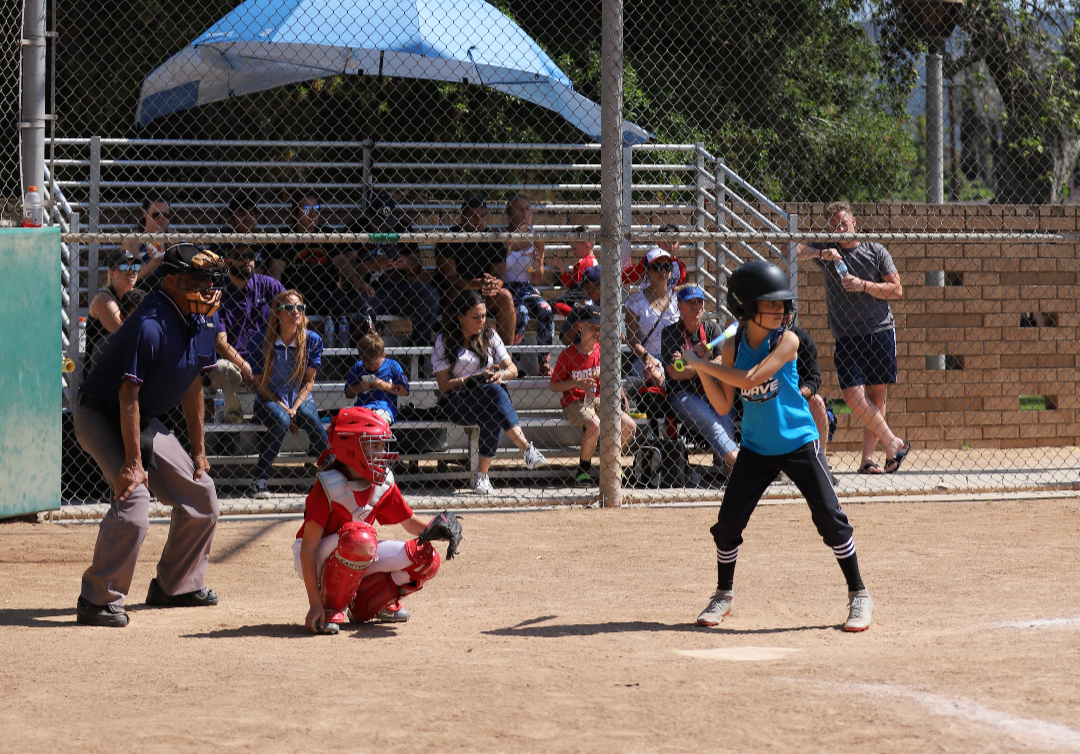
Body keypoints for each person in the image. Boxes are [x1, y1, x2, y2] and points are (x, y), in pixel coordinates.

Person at [683, 260, 872, 632]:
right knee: (728, 523)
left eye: (782, 304)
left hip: (798, 441)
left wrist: (697, 362)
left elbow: (752, 377)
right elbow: (722, 404)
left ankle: (859, 594)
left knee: (831, 520)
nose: (781, 310)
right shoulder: (733, 344)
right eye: (771, 305)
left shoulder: (788, 339)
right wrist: (703, 368)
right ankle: (723, 595)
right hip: (755, 447)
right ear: (746, 307)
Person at [73, 243, 227, 627]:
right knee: (134, 497)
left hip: (140, 417)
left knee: (202, 494)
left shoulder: (203, 320)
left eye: (212, 280)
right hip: (100, 412)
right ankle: (97, 598)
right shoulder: (152, 322)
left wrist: (200, 452)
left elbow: (194, 385)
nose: (208, 287)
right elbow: (127, 393)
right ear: (172, 280)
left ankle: (175, 586)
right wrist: (133, 463)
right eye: (199, 279)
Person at [294, 407, 461, 633]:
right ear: (350, 448)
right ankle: (331, 607)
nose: (382, 453)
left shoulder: (382, 481)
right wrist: (314, 603)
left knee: (426, 557)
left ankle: (370, 604)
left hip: (358, 545)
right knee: (360, 538)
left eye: (382, 445)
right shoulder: (328, 485)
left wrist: (438, 527)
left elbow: (409, 522)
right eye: (374, 446)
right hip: (317, 557)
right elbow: (308, 549)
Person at [797, 202, 910, 474]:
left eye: (843, 223)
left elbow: (896, 290)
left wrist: (863, 285)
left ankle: (869, 459)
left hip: (880, 330)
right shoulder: (828, 250)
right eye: (834, 225)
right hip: (847, 335)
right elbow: (793, 248)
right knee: (852, 394)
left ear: (854, 221)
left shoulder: (875, 250)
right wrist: (824, 253)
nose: (839, 228)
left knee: (877, 396)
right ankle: (893, 441)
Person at [433, 289, 548, 495]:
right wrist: (473, 378)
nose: (481, 321)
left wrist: (502, 374)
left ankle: (482, 479)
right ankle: (526, 449)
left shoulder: (490, 335)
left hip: (487, 397)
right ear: (460, 317)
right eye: (475, 317)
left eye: (484, 316)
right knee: (494, 395)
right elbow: (443, 385)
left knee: (493, 401)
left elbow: (512, 368)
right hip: (457, 401)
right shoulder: (445, 339)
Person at [246, 290, 330, 499]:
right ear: (277, 312)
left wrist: (295, 407)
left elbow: (308, 381)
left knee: (310, 417)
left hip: (299, 397)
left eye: (299, 307)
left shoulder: (312, 340)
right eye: (290, 307)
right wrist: (284, 408)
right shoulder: (260, 340)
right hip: (269, 398)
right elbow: (260, 384)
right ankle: (259, 481)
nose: (296, 312)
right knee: (282, 421)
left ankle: (333, 473)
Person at [549, 304, 637, 486]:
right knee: (595, 425)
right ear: (580, 326)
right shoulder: (568, 354)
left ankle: (613, 463)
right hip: (574, 401)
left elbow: (613, 376)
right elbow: (554, 385)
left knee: (629, 425)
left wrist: (620, 394)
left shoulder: (603, 351)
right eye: (592, 328)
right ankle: (584, 470)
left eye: (599, 329)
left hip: (598, 399)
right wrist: (577, 383)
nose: (597, 333)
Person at [660, 285, 739, 472]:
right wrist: (706, 364)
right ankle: (742, 466)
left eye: (699, 302)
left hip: (712, 390)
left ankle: (732, 471)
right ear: (679, 305)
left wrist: (694, 362)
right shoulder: (670, 332)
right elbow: (674, 373)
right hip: (682, 394)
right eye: (690, 302)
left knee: (726, 424)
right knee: (712, 425)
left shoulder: (712, 329)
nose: (696, 307)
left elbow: (723, 362)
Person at [352, 192, 440, 353]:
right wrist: (372, 265)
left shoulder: (403, 227)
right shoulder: (356, 228)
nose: (384, 228)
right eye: (378, 224)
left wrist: (404, 263)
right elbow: (347, 269)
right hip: (369, 290)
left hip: (400, 290)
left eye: (387, 223)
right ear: (368, 215)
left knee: (430, 296)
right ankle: (370, 356)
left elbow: (417, 267)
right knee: (361, 304)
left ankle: (416, 352)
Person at [266, 190, 373, 320]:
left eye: (316, 209)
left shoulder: (326, 234)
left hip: (327, 292)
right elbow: (276, 268)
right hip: (297, 293)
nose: (313, 214)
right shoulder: (284, 237)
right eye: (306, 209)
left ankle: (342, 339)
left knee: (346, 307)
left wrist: (357, 282)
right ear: (294, 213)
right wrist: (278, 295)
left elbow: (341, 261)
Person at [209, 244, 286, 423]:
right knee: (221, 368)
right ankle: (234, 425)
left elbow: (292, 313)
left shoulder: (269, 285)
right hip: (235, 363)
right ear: (227, 261)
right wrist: (244, 366)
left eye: (250, 255)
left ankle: (272, 416)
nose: (246, 261)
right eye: (239, 256)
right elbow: (220, 342)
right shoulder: (218, 292)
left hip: (268, 359)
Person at [436, 196, 516, 344]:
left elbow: (499, 276)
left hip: (483, 293)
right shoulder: (449, 237)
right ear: (462, 218)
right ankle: (455, 352)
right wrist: (477, 283)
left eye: (483, 216)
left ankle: (507, 358)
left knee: (505, 296)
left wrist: (493, 285)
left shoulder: (494, 238)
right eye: (473, 216)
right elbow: (450, 279)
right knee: (453, 295)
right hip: (457, 292)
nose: (479, 221)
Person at [499, 193, 554, 375]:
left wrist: (538, 265)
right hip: (505, 286)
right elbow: (496, 270)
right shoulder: (500, 235)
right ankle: (515, 363)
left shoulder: (536, 238)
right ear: (509, 214)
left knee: (546, 309)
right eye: (519, 209)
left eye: (528, 209)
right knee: (520, 313)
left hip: (525, 287)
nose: (524, 213)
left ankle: (543, 362)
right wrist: (508, 246)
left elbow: (536, 278)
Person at [625, 247, 681, 388]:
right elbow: (632, 339)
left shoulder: (678, 299)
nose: (663, 271)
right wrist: (647, 356)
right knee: (658, 374)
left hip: (674, 357)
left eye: (667, 267)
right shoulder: (636, 301)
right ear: (647, 271)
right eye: (657, 267)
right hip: (646, 358)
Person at [84, 249, 141, 377]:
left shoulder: (137, 296)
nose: (131, 272)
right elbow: (126, 335)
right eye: (124, 267)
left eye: (135, 267)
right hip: (100, 371)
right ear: (111, 273)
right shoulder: (103, 299)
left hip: (126, 367)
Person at [345, 332, 409, 425]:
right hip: (362, 407)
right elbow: (348, 393)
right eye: (366, 363)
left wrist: (384, 385)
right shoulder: (358, 366)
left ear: (383, 354)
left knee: (376, 426)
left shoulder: (393, 366)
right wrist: (361, 386)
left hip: (384, 408)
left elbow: (405, 390)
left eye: (374, 364)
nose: (371, 368)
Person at [88, 289, 147, 373]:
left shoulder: (157, 344)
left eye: (147, 316)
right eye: (136, 317)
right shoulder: (105, 347)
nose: (142, 322)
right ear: (122, 318)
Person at [121, 196, 170, 289]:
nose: (161, 219)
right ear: (145, 213)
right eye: (156, 215)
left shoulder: (174, 236)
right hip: (142, 291)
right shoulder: (133, 239)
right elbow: (130, 276)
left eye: (165, 215)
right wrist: (155, 260)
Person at [551, 225, 598, 312]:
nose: (572, 247)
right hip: (585, 298)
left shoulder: (584, 262)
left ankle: (575, 316)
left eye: (575, 243)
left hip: (581, 298)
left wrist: (562, 267)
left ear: (587, 245)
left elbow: (574, 287)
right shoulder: (591, 260)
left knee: (553, 304)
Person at [559, 264, 603, 346]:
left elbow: (622, 339)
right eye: (586, 286)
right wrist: (580, 319)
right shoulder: (578, 311)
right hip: (581, 355)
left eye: (595, 287)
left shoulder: (609, 310)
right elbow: (565, 341)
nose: (590, 291)